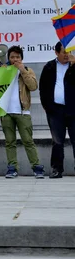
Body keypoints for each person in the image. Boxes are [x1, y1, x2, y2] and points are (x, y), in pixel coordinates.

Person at [1, 46, 44, 179]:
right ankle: (12, 168)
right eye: (12, 57)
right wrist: (2, 72)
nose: (15, 59)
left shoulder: (27, 70)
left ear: (22, 58)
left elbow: (33, 86)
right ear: (8, 58)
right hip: (6, 111)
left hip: (23, 111)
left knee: (28, 141)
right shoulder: (3, 70)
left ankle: (37, 168)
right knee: (9, 142)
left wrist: (22, 71)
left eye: (17, 57)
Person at [40, 41, 75, 179]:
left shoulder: (73, 65)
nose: (67, 55)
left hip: (73, 109)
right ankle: (56, 169)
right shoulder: (49, 67)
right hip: (55, 110)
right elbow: (43, 88)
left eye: (69, 52)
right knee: (57, 141)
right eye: (64, 52)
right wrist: (48, 107)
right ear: (56, 53)